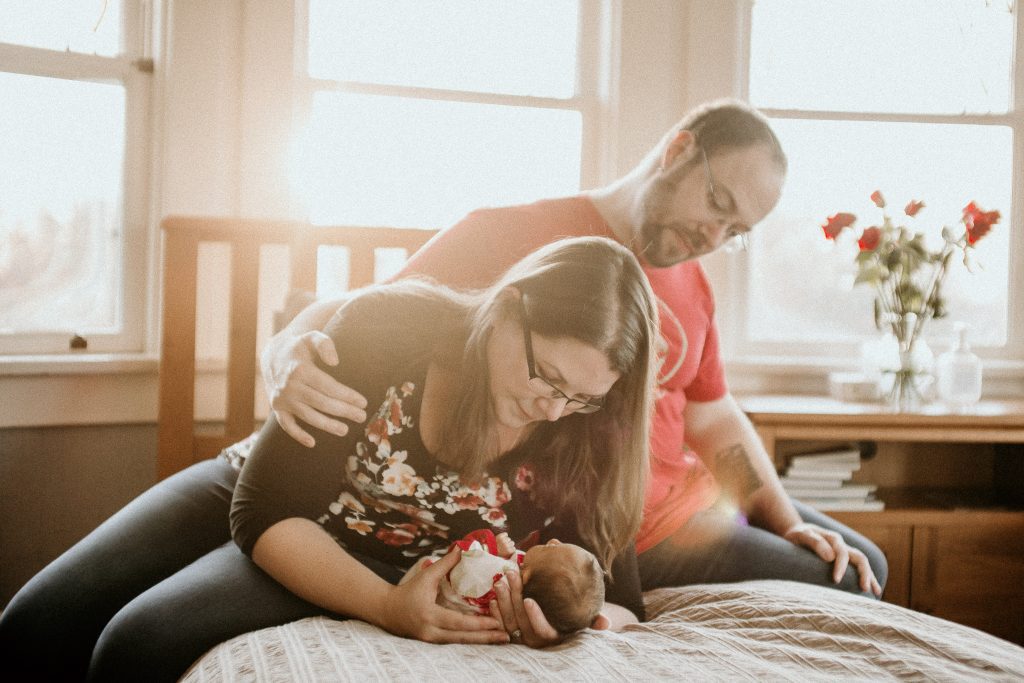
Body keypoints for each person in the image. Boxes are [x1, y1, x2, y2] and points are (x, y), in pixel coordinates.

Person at [262, 99, 887, 618]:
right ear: (677, 152)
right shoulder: (513, 236)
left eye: (736, 232)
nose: (714, 238)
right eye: (718, 206)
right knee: (853, 580)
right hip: (617, 525)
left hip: (698, 507)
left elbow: (715, 416)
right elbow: (371, 311)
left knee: (862, 562)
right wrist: (287, 349)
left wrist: (784, 520)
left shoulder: (693, 284)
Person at [0, 236, 659, 681]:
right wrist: (388, 607)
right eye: (545, 375)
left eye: (579, 397)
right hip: (274, 498)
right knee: (34, 623)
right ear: (509, 307)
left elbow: (622, 602)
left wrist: (565, 623)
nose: (551, 409)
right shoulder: (394, 327)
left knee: (135, 643)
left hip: (370, 550)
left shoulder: (592, 429)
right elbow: (264, 508)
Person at [402, 530, 605, 637]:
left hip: (422, 589)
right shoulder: (529, 580)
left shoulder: (499, 576)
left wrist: (489, 546)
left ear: (524, 576)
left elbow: (463, 562)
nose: (554, 540)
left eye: (548, 549)